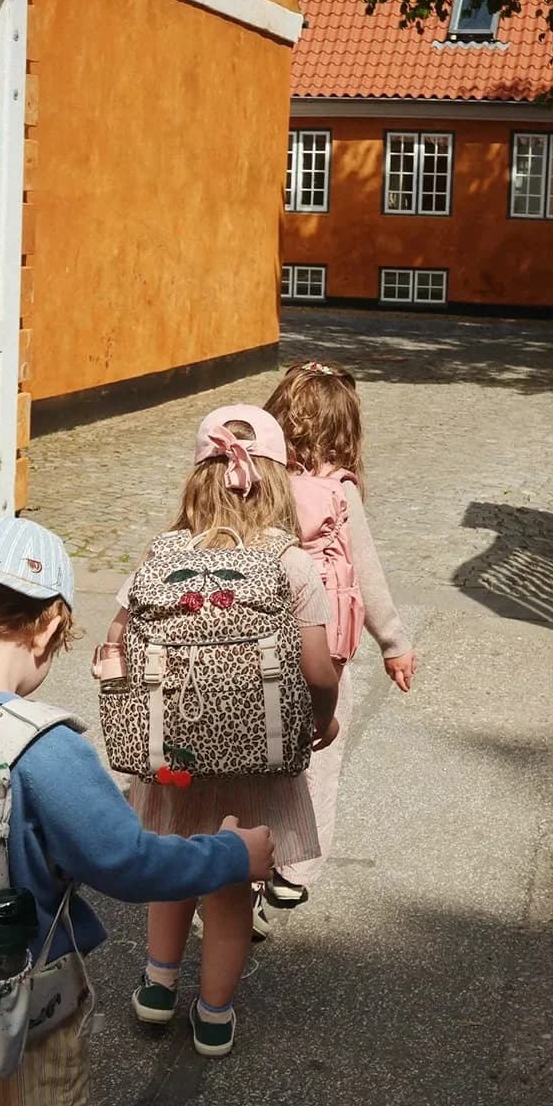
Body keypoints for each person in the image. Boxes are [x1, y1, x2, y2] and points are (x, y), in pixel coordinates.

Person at [0, 516, 275, 1106]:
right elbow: (128, 863)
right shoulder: (42, 748)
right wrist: (232, 855)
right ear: (49, 626)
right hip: (18, 1015)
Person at [102, 405, 339, 1058]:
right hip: (254, 760)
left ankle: (156, 988)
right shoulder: (290, 563)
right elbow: (318, 669)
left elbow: (118, 641)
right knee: (231, 889)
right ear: (278, 481)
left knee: (173, 866)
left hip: (173, 755)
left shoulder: (164, 552)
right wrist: (324, 719)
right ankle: (212, 1015)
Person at [260, 360, 416, 916]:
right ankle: (294, 869)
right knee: (320, 750)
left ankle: (244, 856)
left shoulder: (253, 484)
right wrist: (394, 643)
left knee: (259, 749)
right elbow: (367, 576)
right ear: (346, 431)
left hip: (253, 644)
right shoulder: (339, 496)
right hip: (323, 650)